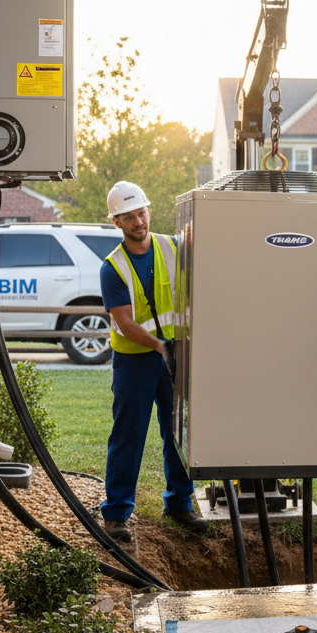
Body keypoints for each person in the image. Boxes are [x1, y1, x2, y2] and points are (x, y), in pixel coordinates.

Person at [99, 181, 210, 541]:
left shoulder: (172, 247)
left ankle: (180, 503)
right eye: (128, 217)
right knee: (129, 433)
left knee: (179, 431)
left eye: (141, 213)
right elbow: (126, 323)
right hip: (136, 361)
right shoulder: (112, 267)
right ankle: (116, 513)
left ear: (150, 212)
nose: (137, 221)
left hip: (175, 353)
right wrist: (162, 348)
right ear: (117, 223)